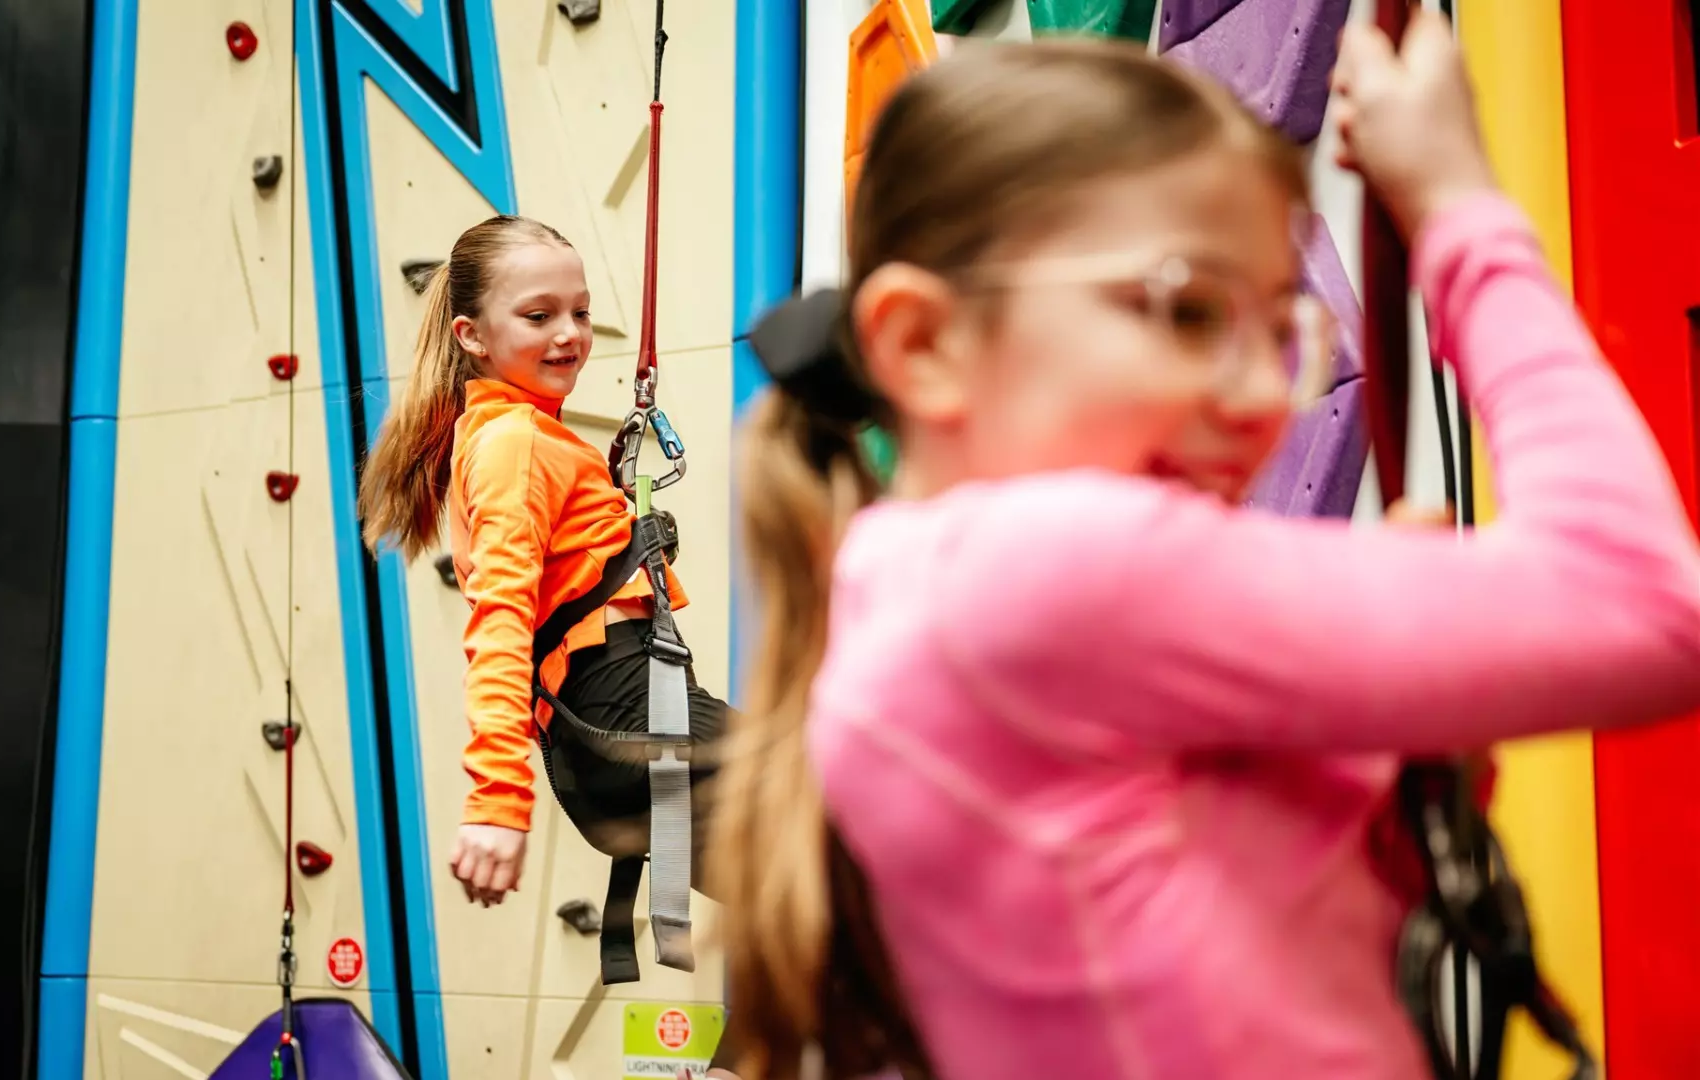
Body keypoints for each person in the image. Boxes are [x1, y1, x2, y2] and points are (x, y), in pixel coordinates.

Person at [713, 14, 1700, 1080]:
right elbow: (1645, 603)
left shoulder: (920, 594)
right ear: (926, 343)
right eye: (1187, 313)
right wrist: (1459, 209)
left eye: (1282, 331)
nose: (1263, 398)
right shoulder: (1048, 570)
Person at [357, 214, 740, 1080]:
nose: (569, 334)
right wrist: (496, 801)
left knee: (828, 897)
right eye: (538, 316)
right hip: (627, 716)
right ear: (473, 336)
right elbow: (498, 624)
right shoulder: (514, 445)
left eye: (580, 312)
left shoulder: (521, 435)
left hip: (623, 725)